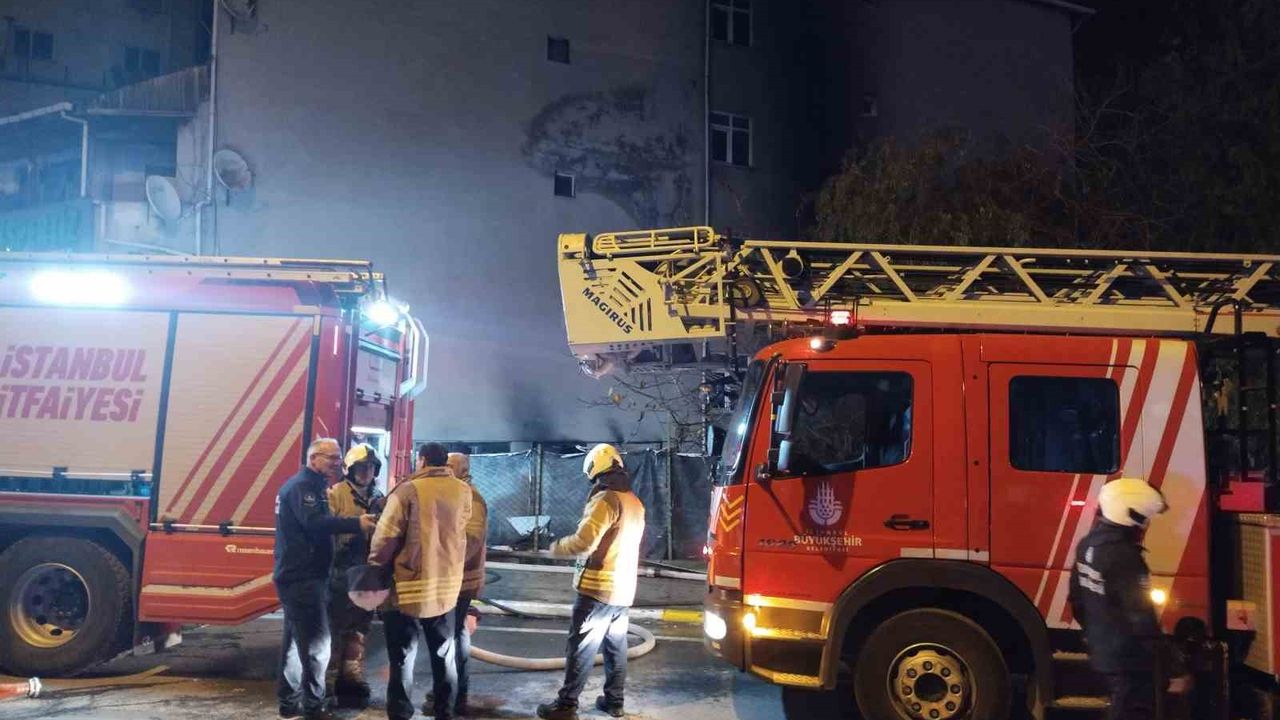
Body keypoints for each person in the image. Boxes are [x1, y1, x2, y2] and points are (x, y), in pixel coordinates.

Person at [537, 444, 646, 720]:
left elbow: (585, 542)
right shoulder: (633, 501)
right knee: (615, 647)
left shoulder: (606, 499)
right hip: (622, 590)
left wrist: (556, 548)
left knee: (582, 648)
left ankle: (566, 706)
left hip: (597, 590)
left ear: (596, 468)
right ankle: (614, 702)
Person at [1069, 476, 1189, 720]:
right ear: (1130, 516)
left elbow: (1077, 600)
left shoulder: (1087, 545)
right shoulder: (1125, 557)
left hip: (1103, 651)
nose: (1144, 526)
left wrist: (1095, 634)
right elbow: (1142, 618)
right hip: (1129, 658)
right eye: (1143, 519)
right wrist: (1174, 668)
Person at [274, 438, 376, 720]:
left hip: (302, 576)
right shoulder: (304, 488)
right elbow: (314, 524)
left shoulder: (312, 486)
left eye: (339, 458)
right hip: (304, 578)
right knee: (318, 646)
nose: (336, 463)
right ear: (313, 458)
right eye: (331, 458)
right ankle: (314, 708)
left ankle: (289, 704)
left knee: (294, 645)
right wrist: (357, 523)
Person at [369, 442, 472, 720]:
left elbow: (385, 537)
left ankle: (401, 712)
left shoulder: (408, 491)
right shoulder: (463, 491)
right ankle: (444, 713)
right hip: (447, 587)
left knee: (402, 656)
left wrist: (375, 566)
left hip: (409, 586)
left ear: (422, 460)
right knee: (444, 655)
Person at [423, 452, 489, 716]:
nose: (445, 469)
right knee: (455, 635)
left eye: (450, 466)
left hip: (459, 579)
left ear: (464, 471)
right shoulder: (456, 493)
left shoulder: (471, 497)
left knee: (449, 638)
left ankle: (449, 697)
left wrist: (442, 560)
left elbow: (471, 538)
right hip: (454, 577)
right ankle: (453, 694)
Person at [325, 442, 386, 708]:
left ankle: (351, 679)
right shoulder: (336, 494)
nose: (366, 472)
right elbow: (325, 531)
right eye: (361, 467)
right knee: (334, 630)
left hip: (367, 574)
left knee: (360, 629)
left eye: (371, 467)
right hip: (340, 573)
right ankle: (328, 684)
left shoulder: (379, 497)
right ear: (350, 469)